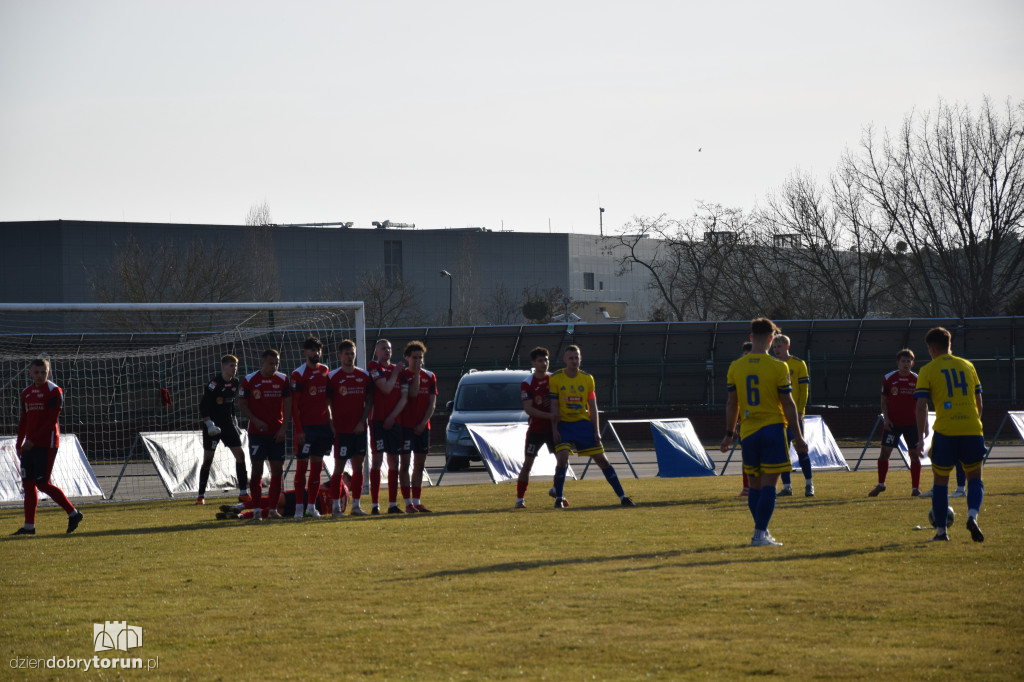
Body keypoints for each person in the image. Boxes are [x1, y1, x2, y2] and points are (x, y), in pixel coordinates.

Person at [720, 318, 808, 547]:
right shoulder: (780, 366)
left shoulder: (735, 367)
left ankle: (761, 531)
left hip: (748, 432)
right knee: (770, 485)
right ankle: (759, 534)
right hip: (772, 429)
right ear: (771, 339)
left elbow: (732, 404)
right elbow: (788, 403)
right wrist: (798, 437)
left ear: (751, 337)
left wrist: (729, 433)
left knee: (755, 487)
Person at [912, 327, 986, 543]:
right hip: (972, 429)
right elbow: (979, 401)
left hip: (946, 431)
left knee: (941, 482)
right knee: (975, 479)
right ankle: (972, 516)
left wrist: (920, 437)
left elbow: (921, 405)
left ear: (932, 349)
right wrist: (974, 424)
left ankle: (941, 532)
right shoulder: (968, 365)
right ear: (949, 345)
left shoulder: (928, 370)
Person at [548, 344, 635, 508]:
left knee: (603, 460)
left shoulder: (588, 379)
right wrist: (554, 430)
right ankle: (559, 498)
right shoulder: (556, 378)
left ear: (580, 358)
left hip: (583, 425)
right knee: (562, 457)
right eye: (571, 358)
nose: (574, 361)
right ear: (564, 360)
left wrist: (596, 431)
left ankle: (623, 497)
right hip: (564, 425)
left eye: (577, 358)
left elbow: (593, 408)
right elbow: (553, 406)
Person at [12, 357, 83, 535]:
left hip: (47, 443)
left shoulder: (54, 391)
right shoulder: (26, 392)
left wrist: (32, 440)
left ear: (48, 372)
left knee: (42, 483)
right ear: (30, 373)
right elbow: (24, 420)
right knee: (28, 485)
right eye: (36, 372)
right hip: (29, 445)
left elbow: (52, 421)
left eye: (43, 372)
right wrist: (19, 443)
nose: (40, 375)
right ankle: (29, 526)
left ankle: (73, 513)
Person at [239, 349, 292, 520]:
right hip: (257, 434)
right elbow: (242, 405)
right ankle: (256, 510)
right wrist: (255, 420)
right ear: (262, 363)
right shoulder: (249, 380)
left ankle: (272, 510)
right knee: (257, 470)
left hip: (276, 434)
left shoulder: (283, 379)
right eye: (271, 363)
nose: (274, 366)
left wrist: (284, 429)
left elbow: (288, 405)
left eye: (276, 363)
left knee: (277, 470)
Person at [327, 339, 373, 516]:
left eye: (352, 353)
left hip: (359, 430)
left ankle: (356, 505)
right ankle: (335, 507)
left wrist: (362, 421)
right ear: (340, 356)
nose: (349, 356)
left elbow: (369, 402)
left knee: (358, 468)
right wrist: (332, 425)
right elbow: (327, 404)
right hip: (342, 431)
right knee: (338, 469)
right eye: (346, 353)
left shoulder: (364, 376)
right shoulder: (332, 377)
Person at [869, 349, 922, 497]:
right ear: (897, 363)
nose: (906, 364)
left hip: (912, 424)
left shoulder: (917, 379)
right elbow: (884, 400)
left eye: (908, 361)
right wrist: (886, 419)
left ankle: (915, 489)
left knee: (914, 455)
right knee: (884, 453)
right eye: (903, 361)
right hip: (893, 424)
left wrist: (922, 423)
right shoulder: (888, 378)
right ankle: (881, 485)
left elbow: (922, 403)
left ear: (912, 363)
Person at [196, 354, 248, 505]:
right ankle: (200, 495)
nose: (234, 369)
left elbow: (230, 402)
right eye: (231, 366)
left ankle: (244, 493)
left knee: (240, 455)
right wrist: (208, 423)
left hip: (227, 424)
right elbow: (203, 405)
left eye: (236, 366)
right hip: (212, 425)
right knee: (208, 460)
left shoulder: (235, 382)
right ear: (224, 367)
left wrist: (234, 418)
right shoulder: (214, 383)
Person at [290, 337, 332, 519]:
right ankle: (299, 507)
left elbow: (328, 400)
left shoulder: (325, 371)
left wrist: (331, 424)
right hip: (305, 429)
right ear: (305, 352)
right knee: (301, 468)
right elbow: (294, 406)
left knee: (316, 469)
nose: (316, 353)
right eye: (312, 350)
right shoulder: (298, 374)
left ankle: (311, 507)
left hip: (322, 428)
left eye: (318, 350)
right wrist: (299, 430)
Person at [395, 341, 437, 513]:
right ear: (407, 358)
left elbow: (432, 404)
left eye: (421, 357)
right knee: (404, 465)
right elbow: (412, 393)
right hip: (405, 426)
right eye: (415, 358)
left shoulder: (431, 376)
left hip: (422, 427)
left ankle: (417, 501)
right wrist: (417, 373)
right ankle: (407, 503)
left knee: (419, 465)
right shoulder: (403, 375)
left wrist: (422, 424)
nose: (418, 360)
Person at [367, 339, 406, 515]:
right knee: (377, 460)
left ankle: (392, 504)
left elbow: (404, 398)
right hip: (377, 421)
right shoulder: (374, 367)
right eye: (383, 348)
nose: (387, 351)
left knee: (394, 462)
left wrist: (392, 416)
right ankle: (375, 505)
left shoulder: (398, 371)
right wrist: (397, 371)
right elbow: (386, 389)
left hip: (394, 422)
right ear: (376, 351)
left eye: (389, 348)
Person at [772, 334, 813, 497]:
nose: (776, 350)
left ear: (787, 347)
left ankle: (809, 484)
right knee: (783, 452)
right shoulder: (772, 365)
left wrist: (800, 411)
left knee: (801, 450)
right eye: (774, 347)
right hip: (778, 417)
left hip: (794, 416)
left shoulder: (798, 364)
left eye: (779, 347)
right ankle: (787, 487)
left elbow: (804, 390)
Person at [516, 346, 556, 509]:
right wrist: (549, 416)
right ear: (533, 363)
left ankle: (557, 492)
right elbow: (528, 408)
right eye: (540, 360)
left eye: (546, 360)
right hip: (536, 431)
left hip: (554, 429)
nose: (544, 363)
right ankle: (520, 499)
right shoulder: (527, 383)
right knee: (528, 464)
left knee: (562, 460)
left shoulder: (554, 380)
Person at [736, 341, 753, 498]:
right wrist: (737, 421)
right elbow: (735, 402)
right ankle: (746, 487)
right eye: (744, 355)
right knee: (746, 456)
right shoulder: (739, 372)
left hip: (764, 421)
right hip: (746, 422)